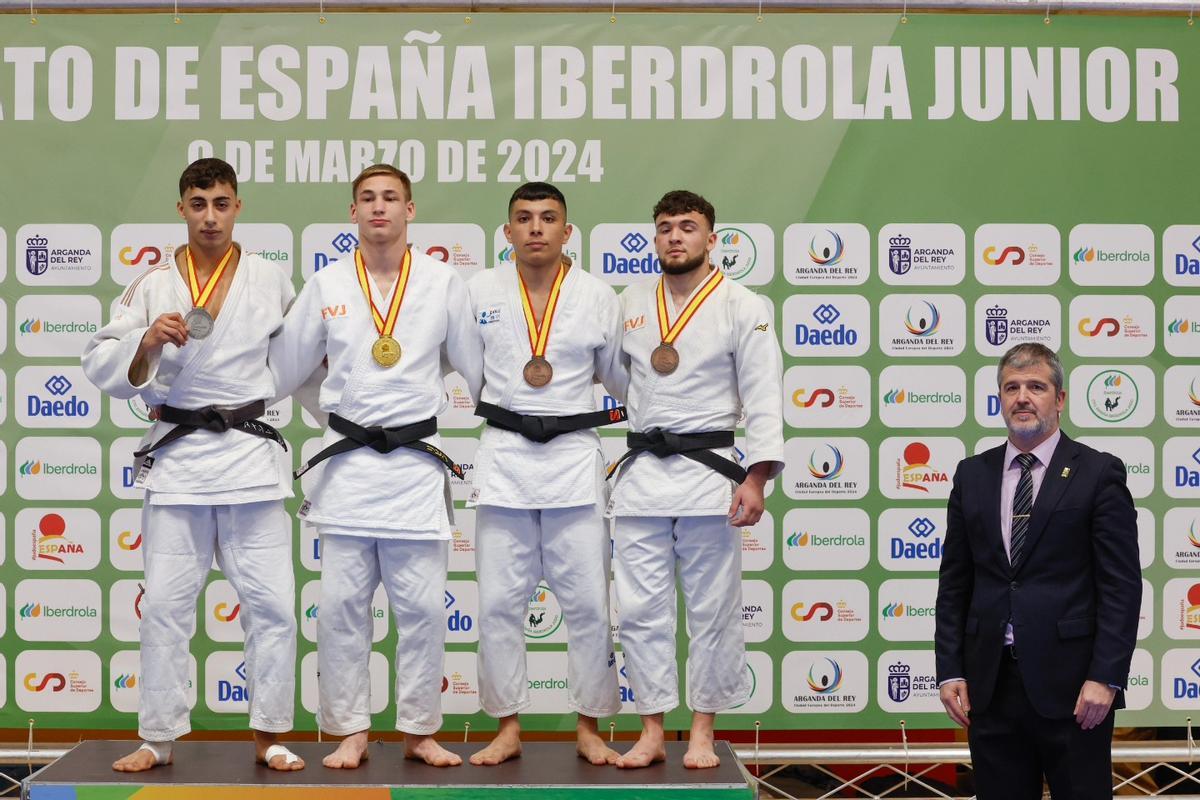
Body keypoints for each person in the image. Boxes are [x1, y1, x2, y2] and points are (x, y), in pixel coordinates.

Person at [82, 158, 302, 772]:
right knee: (166, 606)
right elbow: (100, 358)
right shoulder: (152, 283)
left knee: (273, 604)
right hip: (179, 460)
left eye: (222, 203)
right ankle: (157, 737)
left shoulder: (270, 278)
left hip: (250, 458)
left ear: (238, 207)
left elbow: (306, 362)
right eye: (199, 203)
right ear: (181, 207)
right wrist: (146, 341)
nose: (210, 216)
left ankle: (271, 734)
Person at [269, 164, 481, 769]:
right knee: (340, 607)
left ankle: (418, 729)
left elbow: (475, 369)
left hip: (414, 466)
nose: (379, 208)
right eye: (368, 199)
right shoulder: (327, 283)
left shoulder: (443, 282)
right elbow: (288, 370)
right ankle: (349, 731)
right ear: (352, 211)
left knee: (420, 608)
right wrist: (334, 415)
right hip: (350, 467)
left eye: (391, 198)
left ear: (410, 210)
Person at [608, 190, 784, 769]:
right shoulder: (631, 301)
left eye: (688, 227)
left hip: (711, 476)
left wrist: (756, 478)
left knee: (712, 609)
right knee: (639, 609)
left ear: (712, 239)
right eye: (664, 228)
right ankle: (653, 728)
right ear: (654, 238)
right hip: (642, 477)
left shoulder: (742, 303)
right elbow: (620, 380)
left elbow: (763, 397)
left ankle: (703, 730)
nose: (675, 237)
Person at [935, 342, 1141, 799]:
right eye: (1011, 387)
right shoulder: (972, 475)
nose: (1022, 397)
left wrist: (1106, 677)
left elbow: (1121, 587)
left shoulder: (1098, 473)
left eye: (1036, 386)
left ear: (1060, 399)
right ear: (1000, 398)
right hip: (990, 689)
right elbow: (954, 584)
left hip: (1075, 691)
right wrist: (949, 670)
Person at [466, 182, 625, 766]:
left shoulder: (597, 295)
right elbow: (463, 364)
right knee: (498, 605)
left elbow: (618, 379)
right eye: (524, 218)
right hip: (506, 457)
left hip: (573, 460)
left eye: (548, 218)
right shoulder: (478, 290)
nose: (536, 228)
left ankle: (588, 726)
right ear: (507, 231)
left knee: (587, 604)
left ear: (567, 230)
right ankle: (508, 726)